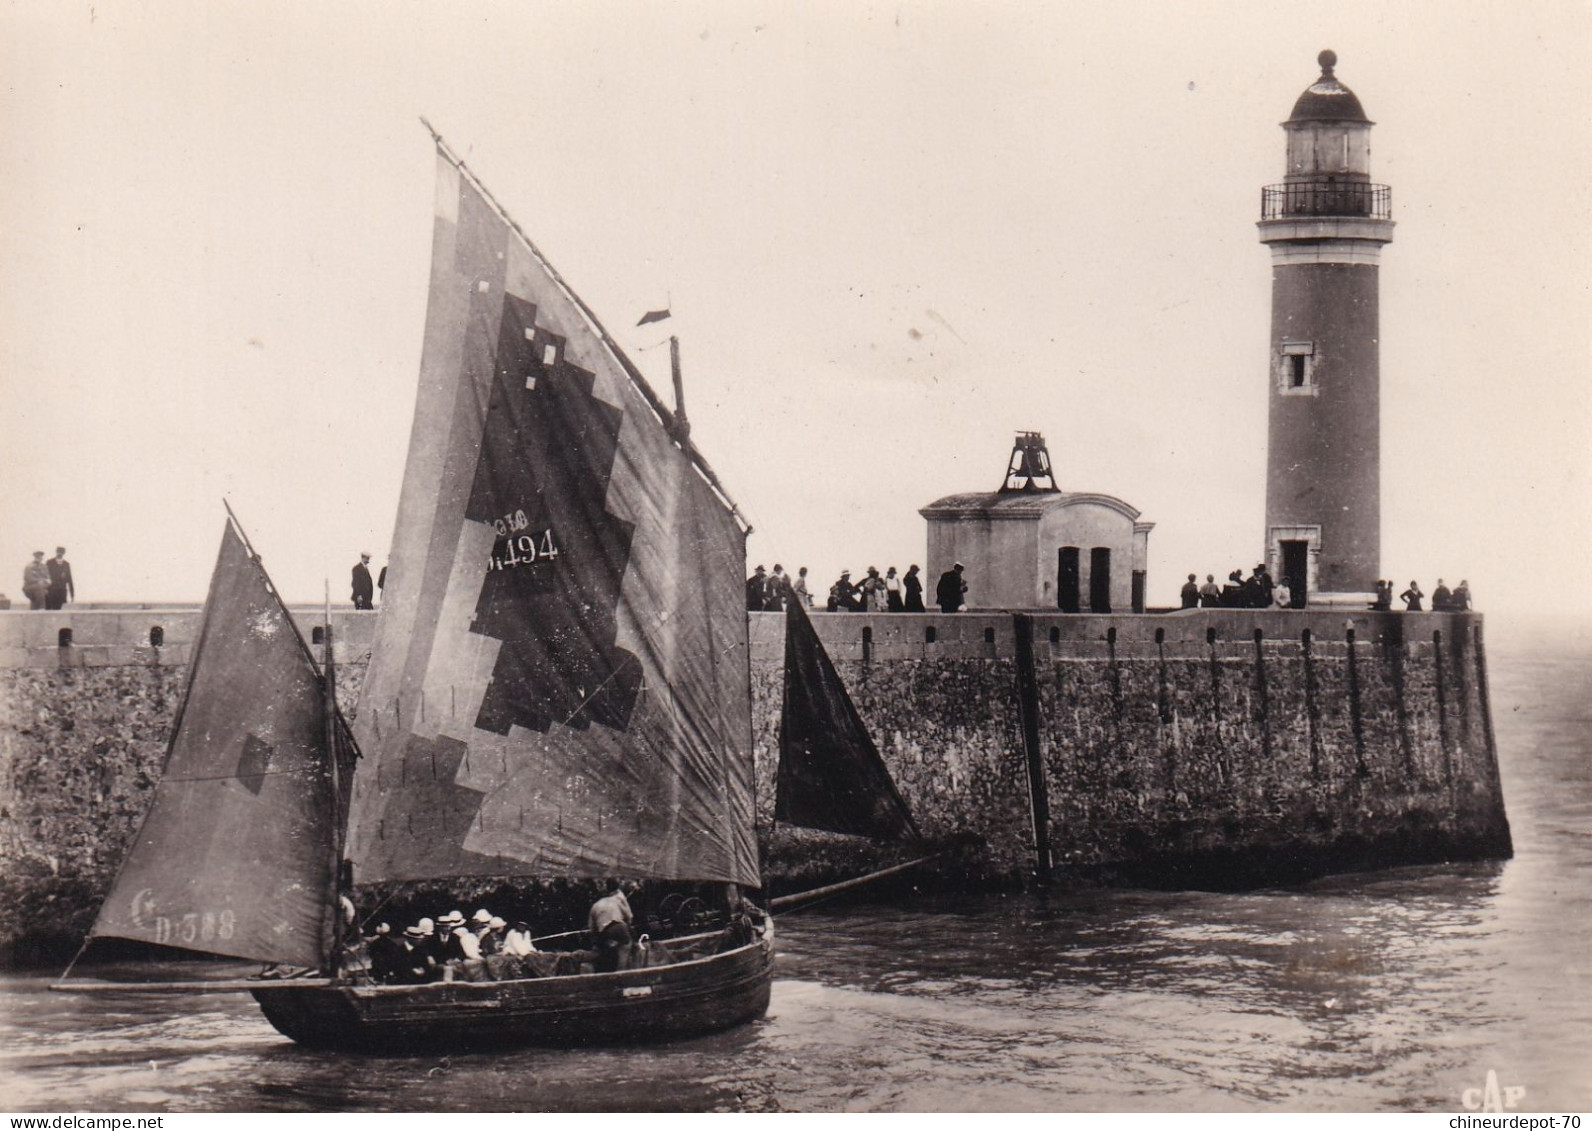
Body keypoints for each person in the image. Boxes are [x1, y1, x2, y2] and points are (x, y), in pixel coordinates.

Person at [589, 879, 633, 974]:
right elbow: (629, 916)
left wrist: (596, 943)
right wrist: (628, 928)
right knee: (625, 949)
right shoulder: (615, 900)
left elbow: (592, 929)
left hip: (606, 930)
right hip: (620, 925)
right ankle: (622, 972)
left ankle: (607, 971)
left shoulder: (595, 906)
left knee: (606, 951)